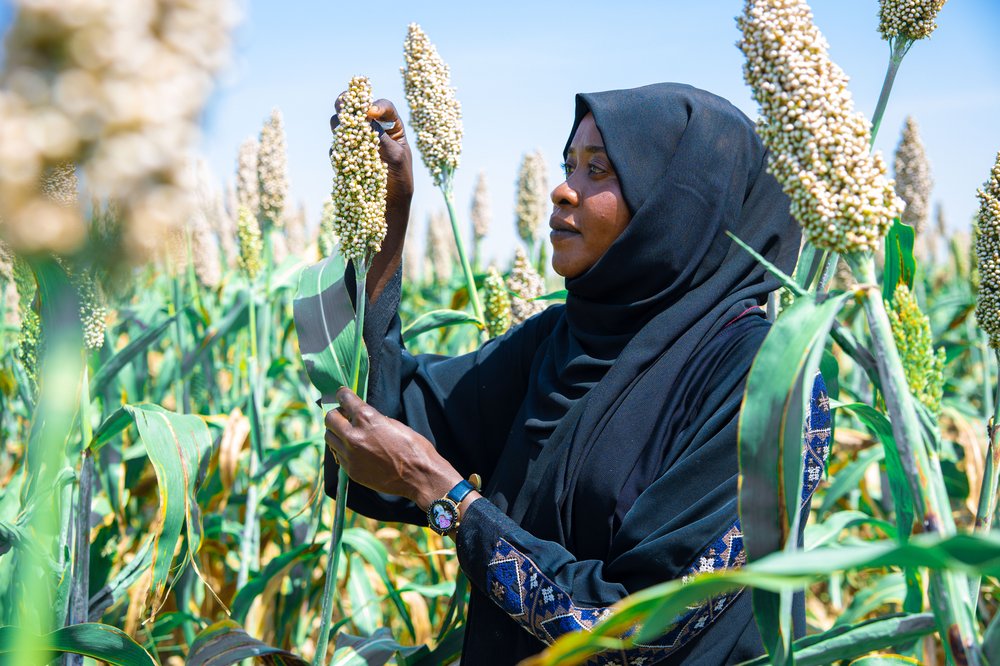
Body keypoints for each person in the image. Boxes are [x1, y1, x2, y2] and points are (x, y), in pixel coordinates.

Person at [323, 82, 829, 665]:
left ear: (680, 205)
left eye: (600, 170)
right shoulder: (561, 341)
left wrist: (446, 497)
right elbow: (377, 425)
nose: (564, 190)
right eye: (568, 164)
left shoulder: (768, 383)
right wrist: (383, 222)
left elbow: (636, 631)